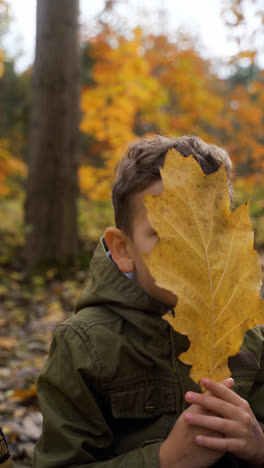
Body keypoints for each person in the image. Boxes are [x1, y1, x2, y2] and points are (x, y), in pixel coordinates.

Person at [34, 135, 264, 468]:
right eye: (170, 232)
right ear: (123, 250)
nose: (197, 251)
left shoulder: (250, 335)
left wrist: (257, 443)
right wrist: (164, 460)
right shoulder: (85, 347)